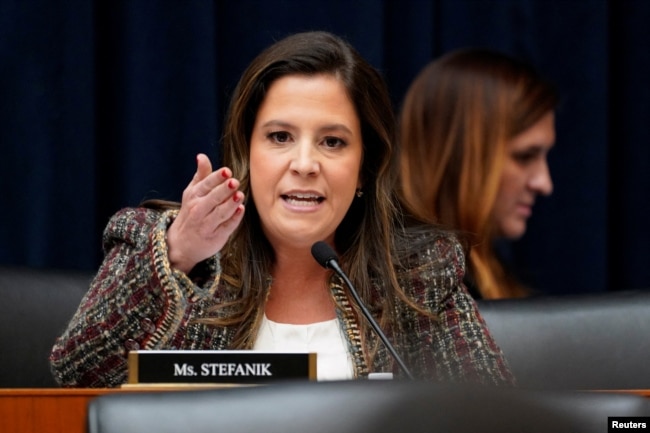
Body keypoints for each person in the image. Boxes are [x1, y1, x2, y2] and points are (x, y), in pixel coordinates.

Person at [50, 31, 514, 387]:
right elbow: (77, 372)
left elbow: (491, 414)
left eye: (332, 142)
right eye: (280, 137)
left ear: (365, 168)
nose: (305, 164)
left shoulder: (417, 275)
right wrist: (178, 254)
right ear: (246, 152)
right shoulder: (163, 248)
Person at [399, 48, 559, 300]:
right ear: (461, 156)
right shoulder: (411, 292)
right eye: (525, 156)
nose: (544, 184)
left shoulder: (483, 275)